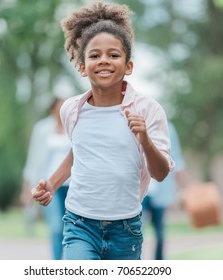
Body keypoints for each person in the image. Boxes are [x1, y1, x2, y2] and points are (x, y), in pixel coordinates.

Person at [31, 1, 174, 260]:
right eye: (95, 55)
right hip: (79, 223)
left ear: (128, 66)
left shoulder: (149, 110)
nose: (104, 61)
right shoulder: (71, 110)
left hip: (126, 228)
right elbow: (79, 151)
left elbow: (161, 173)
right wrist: (52, 184)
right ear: (82, 66)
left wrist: (145, 139)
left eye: (114, 55)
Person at [20, 98, 71, 260]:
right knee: (56, 226)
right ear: (53, 108)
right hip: (50, 186)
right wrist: (27, 188)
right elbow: (33, 158)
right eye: (60, 106)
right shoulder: (42, 129)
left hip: (73, 186)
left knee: (72, 228)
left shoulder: (74, 126)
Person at [142, 121, 191, 260]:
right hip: (140, 193)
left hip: (160, 191)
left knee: (160, 233)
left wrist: (188, 185)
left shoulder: (168, 129)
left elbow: (176, 160)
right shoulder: (132, 123)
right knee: (137, 231)